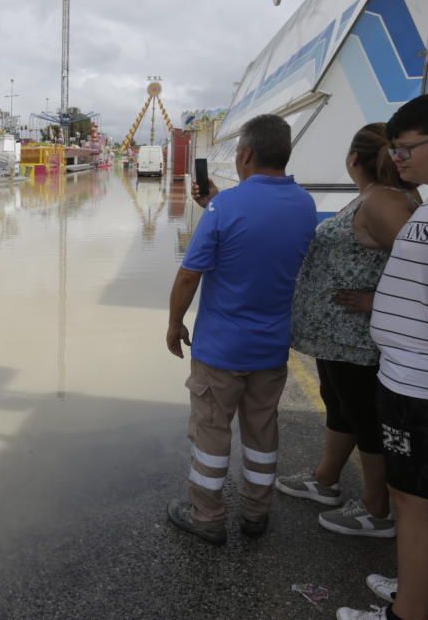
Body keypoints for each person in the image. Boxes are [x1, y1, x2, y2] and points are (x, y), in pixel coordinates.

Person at [338, 91, 428, 620]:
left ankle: (410, 614)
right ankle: (420, 597)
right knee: (426, 503)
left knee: (417, 508)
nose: (396, 160)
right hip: (418, 382)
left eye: (406, 148)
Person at [165, 114, 317, 545]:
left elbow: (189, 275)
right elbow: (261, 237)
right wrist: (214, 204)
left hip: (221, 350)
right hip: (271, 348)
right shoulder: (304, 205)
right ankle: (256, 513)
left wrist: (175, 323)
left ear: (246, 154)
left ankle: (207, 516)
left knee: (212, 431)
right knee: (262, 431)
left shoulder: (225, 207)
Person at [279, 124, 419, 538]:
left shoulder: (384, 202)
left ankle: (377, 510)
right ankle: (325, 480)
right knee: (340, 406)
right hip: (338, 338)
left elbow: (427, 268)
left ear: (353, 159)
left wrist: (377, 302)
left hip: (355, 338)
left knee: (365, 418)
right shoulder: (377, 197)